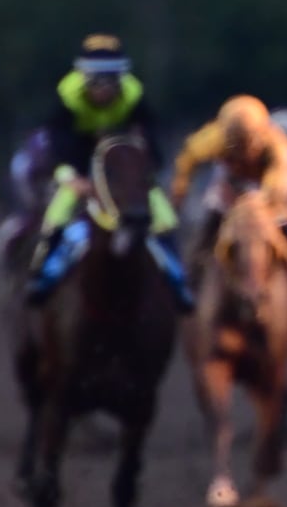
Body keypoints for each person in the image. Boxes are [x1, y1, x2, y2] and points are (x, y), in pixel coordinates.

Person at [24, 35, 194, 311]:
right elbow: (56, 145)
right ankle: (42, 275)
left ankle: (178, 281)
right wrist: (70, 178)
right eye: (96, 81)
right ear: (84, 79)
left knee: (165, 217)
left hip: (125, 173)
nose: (104, 89)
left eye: (111, 81)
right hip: (82, 171)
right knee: (57, 213)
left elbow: (153, 140)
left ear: (121, 79)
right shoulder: (67, 100)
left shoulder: (134, 97)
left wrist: (147, 166)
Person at [169, 94, 287, 303]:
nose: (244, 149)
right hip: (229, 185)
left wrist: (262, 201)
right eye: (235, 143)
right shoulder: (210, 140)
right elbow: (187, 160)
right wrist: (179, 191)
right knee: (208, 225)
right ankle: (193, 276)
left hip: (266, 192)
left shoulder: (279, 145)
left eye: (248, 141)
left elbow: (281, 179)